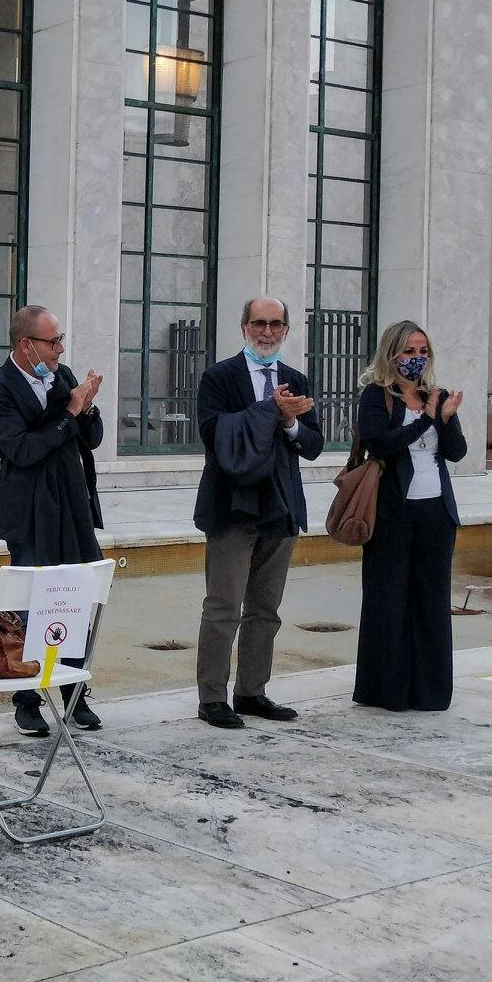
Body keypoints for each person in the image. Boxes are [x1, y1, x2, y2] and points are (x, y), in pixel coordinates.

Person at [192, 297, 325, 729]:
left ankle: (251, 692)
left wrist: (289, 423)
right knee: (223, 607)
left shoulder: (295, 379)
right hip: (232, 506)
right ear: (244, 327)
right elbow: (214, 436)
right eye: (258, 323)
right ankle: (212, 699)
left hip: (281, 505)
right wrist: (272, 410)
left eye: (275, 324)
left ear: (287, 330)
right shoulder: (219, 377)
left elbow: (314, 444)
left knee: (265, 608)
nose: (266, 332)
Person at [0, 305, 106, 737]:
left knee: (74, 596)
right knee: (30, 604)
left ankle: (73, 694)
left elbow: (93, 440)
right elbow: (23, 451)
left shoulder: (64, 376)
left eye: (61, 340)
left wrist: (86, 408)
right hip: (28, 509)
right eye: (52, 342)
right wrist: (69, 412)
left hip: (72, 502)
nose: (60, 349)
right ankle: (27, 699)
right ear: (25, 344)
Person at [352, 320, 468, 712]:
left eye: (423, 352)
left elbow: (455, 454)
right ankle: (387, 691)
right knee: (389, 601)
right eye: (409, 351)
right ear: (392, 354)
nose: (417, 359)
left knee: (432, 602)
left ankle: (431, 692)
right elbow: (379, 444)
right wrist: (423, 420)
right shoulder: (376, 396)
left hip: (436, 511)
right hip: (391, 513)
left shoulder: (436, 394)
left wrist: (446, 419)